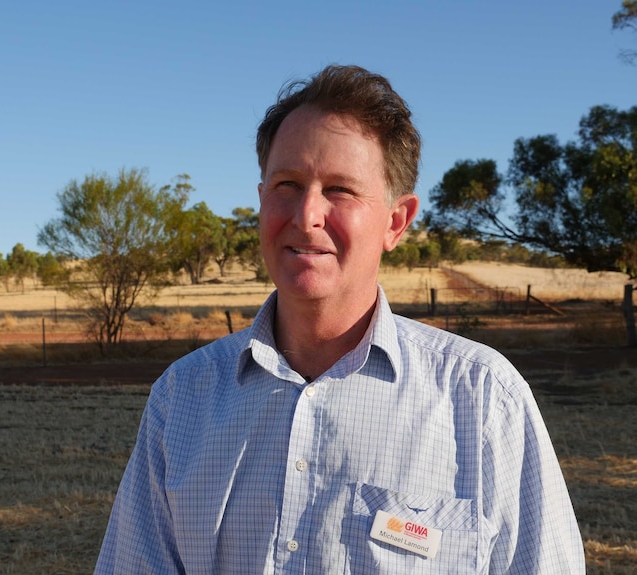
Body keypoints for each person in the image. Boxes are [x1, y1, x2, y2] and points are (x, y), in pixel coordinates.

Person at [94, 64, 585, 574]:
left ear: (396, 221)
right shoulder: (183, 399)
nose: (307, 214)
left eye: (341, 190)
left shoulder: (484, 402)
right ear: (261, 202)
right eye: (287, 184)